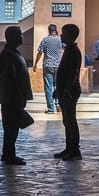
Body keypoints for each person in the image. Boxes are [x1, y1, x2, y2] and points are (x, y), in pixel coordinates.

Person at [0, 25, 32, 165]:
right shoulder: (8, 55)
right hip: (11, 98)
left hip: (15, 97)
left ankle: (9, 153)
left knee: (13, 127)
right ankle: (8, 155)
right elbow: (9, 77)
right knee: (10, 127)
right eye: (20, 34)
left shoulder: (13, 53)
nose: (22, 37)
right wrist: (18, 95)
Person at [53, 23, 82, 160]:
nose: (61, 35)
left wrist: (66, 90)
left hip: (70, 91)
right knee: (66, 120)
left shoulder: (74, 52)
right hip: (65, 90)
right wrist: (58, 90)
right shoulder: (69, 50)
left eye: (63, 33)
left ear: (70, 35)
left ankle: (75, 150)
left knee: (71, 120)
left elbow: (73, 74)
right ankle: (69, 147)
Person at [32, 24, 62, 113]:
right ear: (55, 30)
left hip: (48, 65)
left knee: (48, 87)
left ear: (49, 30)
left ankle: (50, 109)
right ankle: (58, 104)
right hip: (58, 65)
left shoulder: (45, 40)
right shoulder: (60, 39)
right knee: (57, 85)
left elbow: (40, 52)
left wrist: (35, 64)